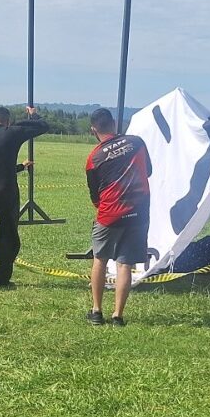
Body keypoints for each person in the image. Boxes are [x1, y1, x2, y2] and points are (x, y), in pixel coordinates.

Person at [84, 108, 151, 326]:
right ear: (114, 124)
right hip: (138, 212)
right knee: (125, 264)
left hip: (109, 214)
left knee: (100, 260)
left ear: (94, 130)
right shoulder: (137, 142)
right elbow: (148, 170)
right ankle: (118, 316)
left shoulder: (93, 158)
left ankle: (96, 311)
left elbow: (95, 194)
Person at [0, 106, 48, 288]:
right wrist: (33, 115)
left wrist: (21, 166)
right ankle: (3, 276)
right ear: (7, 121)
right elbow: (43, 126)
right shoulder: (11, 132)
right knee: (8, 231)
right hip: (6, 190)